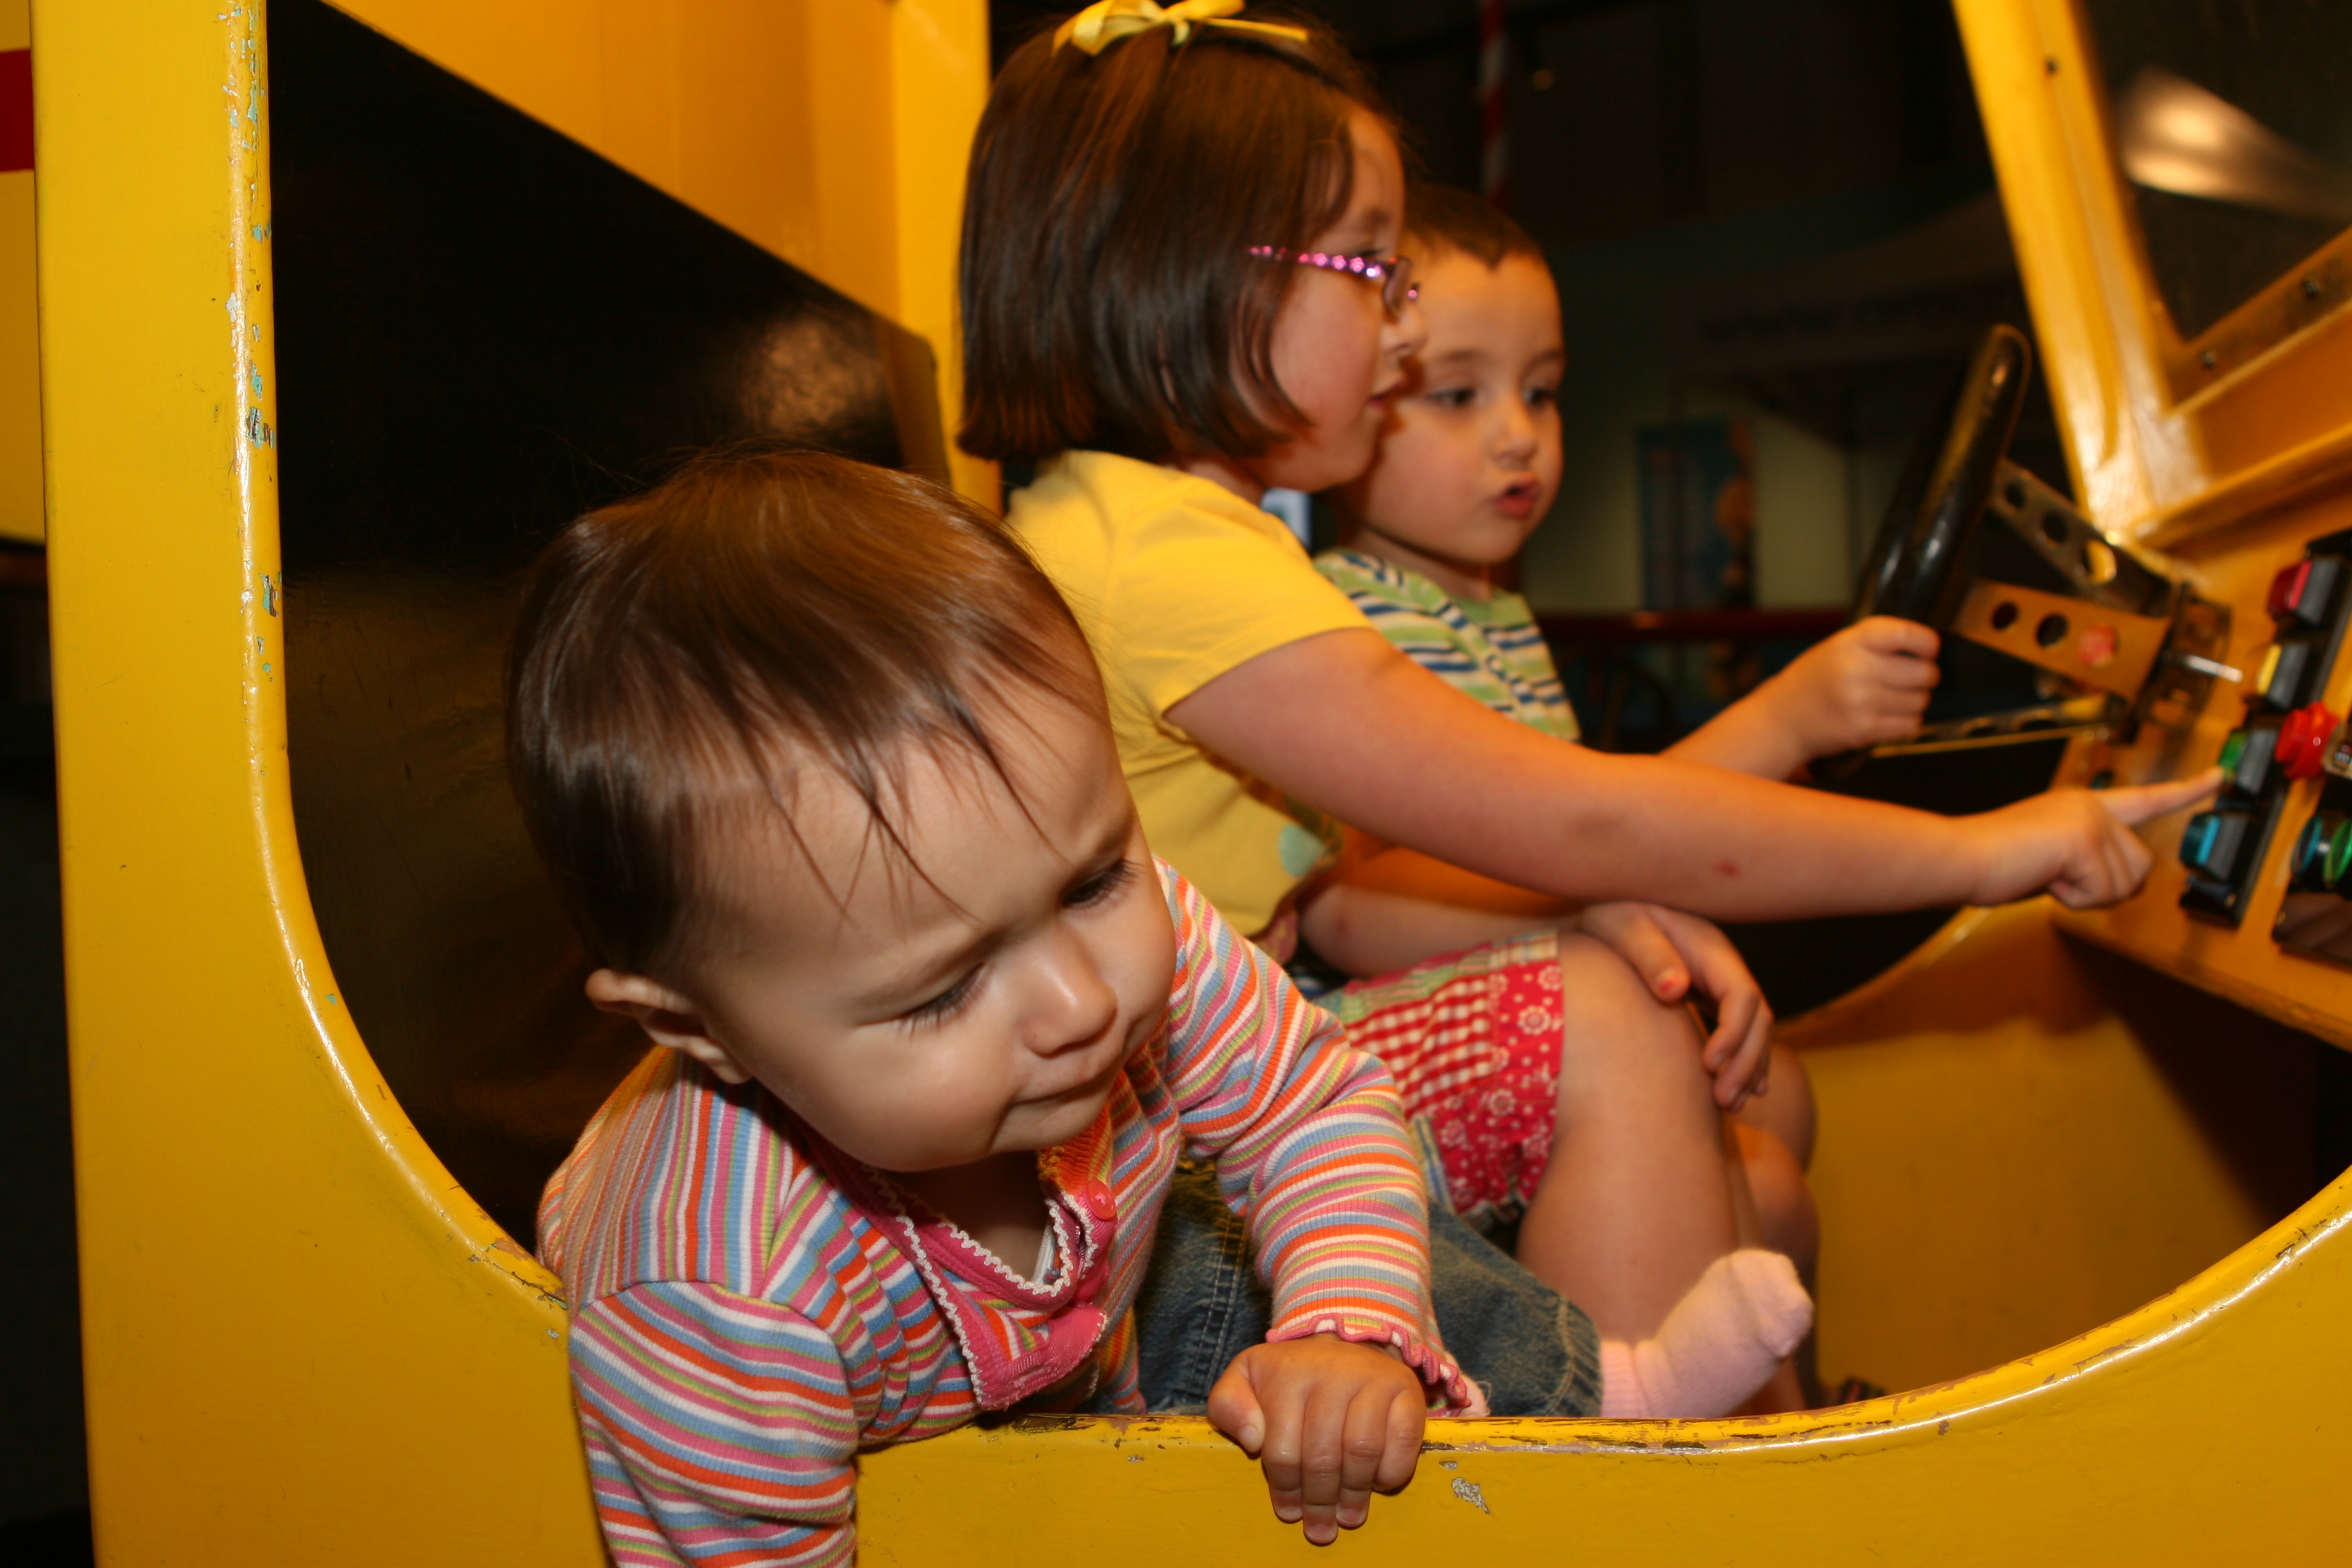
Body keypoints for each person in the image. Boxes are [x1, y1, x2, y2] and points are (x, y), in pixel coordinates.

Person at [963, 0, 2219, 1408]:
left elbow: (1365, 880)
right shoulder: (1171, 560)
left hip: (1202, 1101)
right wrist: (1985, 849)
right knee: (1609, 1019)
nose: (1400, 322)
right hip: (1181, 1157)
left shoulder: (1149, 531)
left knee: (1715, 1077)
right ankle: (1631, 1486)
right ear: (1194, 275)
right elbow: (1581, 819)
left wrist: (1596, 901)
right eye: (1369, 267)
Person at [512, 450, 1811, 1565]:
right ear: (701, 1032)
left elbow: (1314, 1103)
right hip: (962, 1455)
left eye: (1094, 880)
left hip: (1113, 1322)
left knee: (1318, 1242)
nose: (1082, 1000)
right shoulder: (718, 1299)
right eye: (945, 991)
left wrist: (1349, 1328)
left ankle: (1596, 1397)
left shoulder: (1086, 930)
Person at [1318, 182, 1944, 1181]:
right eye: (1458, 394)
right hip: (1379, 1054)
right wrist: (1785, 719)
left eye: (1541, 391)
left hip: (1513, 991)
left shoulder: (1490, 617)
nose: (1518, 433)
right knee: (1763, 1167)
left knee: (1782, 1100)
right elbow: (1548, 851)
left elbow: (1590, 833)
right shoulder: (1349, 618)